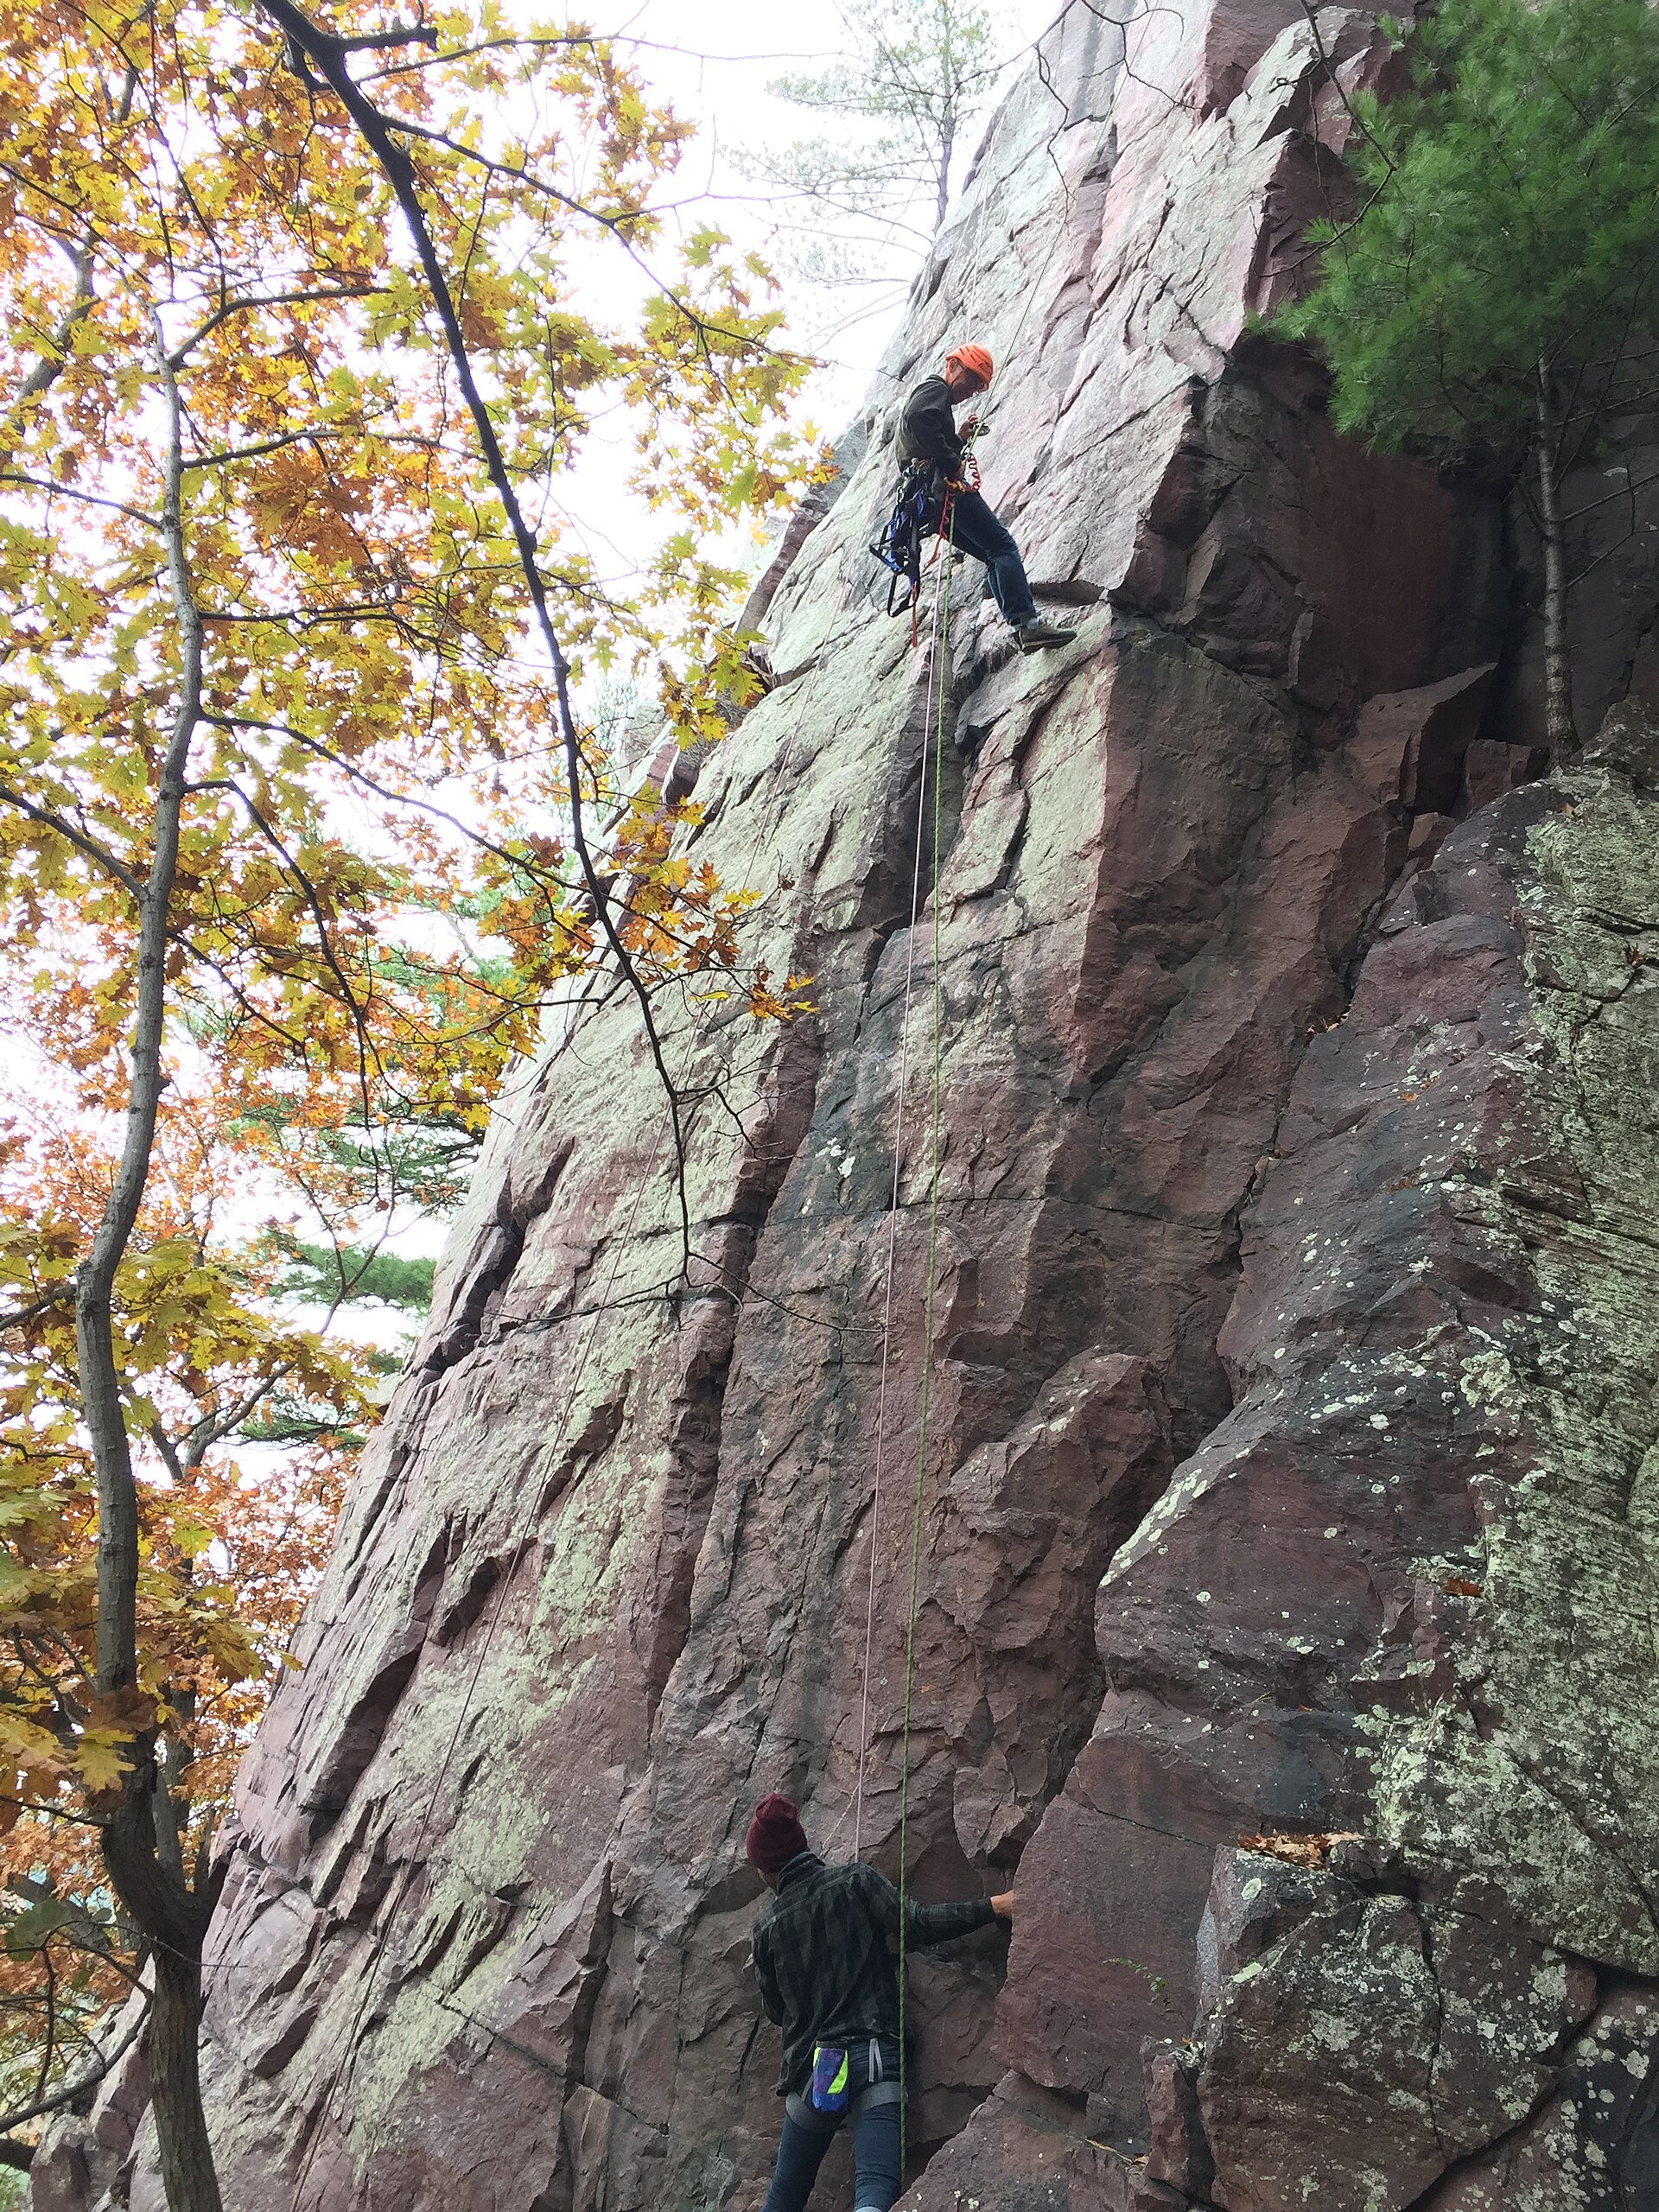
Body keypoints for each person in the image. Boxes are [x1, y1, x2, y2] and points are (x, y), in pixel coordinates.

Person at [746, 1792, 1014, 2212]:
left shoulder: (767, 1927)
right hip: (873, 2058)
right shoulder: (855, 1881)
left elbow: (777, 2012)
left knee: (784, 2198)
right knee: (874, 2187)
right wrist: (995, 1906)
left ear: (766, 1867)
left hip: (816, 2071)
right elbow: (917, 1924)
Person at [895, 344, 1077, 654]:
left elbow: (925, 434)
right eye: (972, 380)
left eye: (978, 386)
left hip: (929, 503)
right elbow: (918, 418)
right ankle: (1028, 625)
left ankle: (1022, 627)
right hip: (943, 490)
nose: (971, 390)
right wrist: (951, 462)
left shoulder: (937, 400)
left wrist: (958, 439)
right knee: (1002, 547)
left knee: (993, 555)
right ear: (952, 366)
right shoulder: (935, 387)